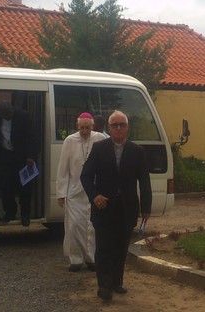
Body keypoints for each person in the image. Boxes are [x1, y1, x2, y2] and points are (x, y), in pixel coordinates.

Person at [80, 110, 152, 302]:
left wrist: (146, 208)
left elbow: (144, 181)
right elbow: (85, 176)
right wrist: (94, 196)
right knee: (104, 247)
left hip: (127, 209)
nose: (118, 128)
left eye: (122, 125)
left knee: (121, 248)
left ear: (127, 128)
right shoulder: (99, 148)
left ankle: (116, 282)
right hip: (104, 208)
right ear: (109, 128)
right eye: (115, 125)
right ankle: (104, 286)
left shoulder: (137, 152)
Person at [56, 112, 106, 272]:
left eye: (88, 128)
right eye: (82, 128)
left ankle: (91, 259)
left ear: (93, 127)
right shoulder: (69, 141)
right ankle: (76, 260)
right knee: (75, 225)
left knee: (92, 227)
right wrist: (61, 193)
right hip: (74, 192)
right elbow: (62, 169)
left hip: (93, 192)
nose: (85, 131)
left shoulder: (100, 139)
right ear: (77, 127)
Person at [0, 101, 38, 226]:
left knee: (25, 187)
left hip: (23, 157)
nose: (7, 118)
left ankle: (25, 215)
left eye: (9, 115)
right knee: (7, 187)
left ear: (13, 110)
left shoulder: (24, 116)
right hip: (6, 156)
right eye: (5, 116)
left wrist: (31, 156)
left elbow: (32, 136)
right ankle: (10, 213)